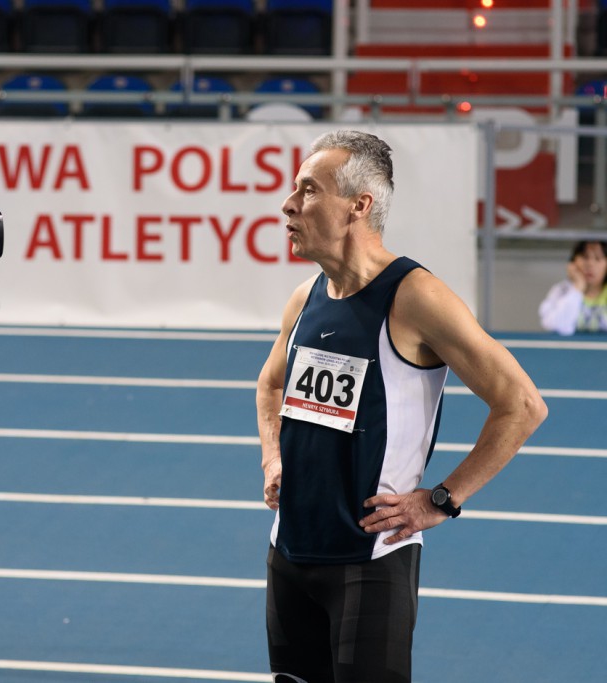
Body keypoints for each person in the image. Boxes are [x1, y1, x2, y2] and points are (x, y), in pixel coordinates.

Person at [255, 130, 547, 683]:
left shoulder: (415, 297)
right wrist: (273, 459)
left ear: (358, 206)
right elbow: (270, 386)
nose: (288, 204)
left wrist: (442, 499)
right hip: (288, 552)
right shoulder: (306, 297)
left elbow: (522, 404)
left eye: (308, 190)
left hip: (371, 561)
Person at [538, 239, 607, 335]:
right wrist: (577, 288)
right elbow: (557, 327)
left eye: (598, 259)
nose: (590, 264)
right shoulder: (561, 290)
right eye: (585, 257)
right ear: (573, 262)